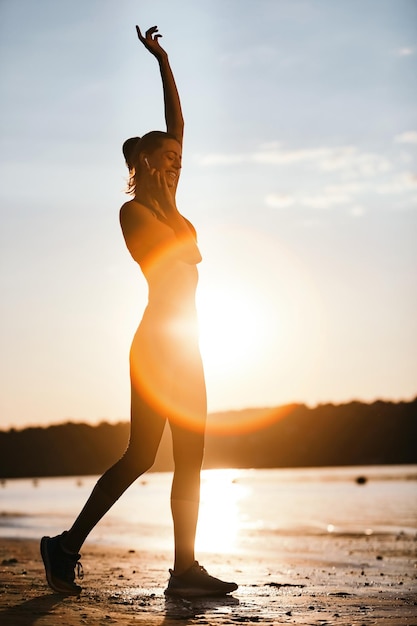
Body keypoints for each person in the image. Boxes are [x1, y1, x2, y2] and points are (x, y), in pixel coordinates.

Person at [40, 25, 238, 599]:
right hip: (155, 346)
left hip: (190, 344)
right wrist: (170, 201)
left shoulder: (171, 199)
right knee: (140, 456)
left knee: (192, 459)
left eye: (180, 159)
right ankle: (65, 545)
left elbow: (178, 122)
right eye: (168, 158)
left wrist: (163, 61)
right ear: (146, 162)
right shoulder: (135, 215)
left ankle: (185, 571)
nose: (177, 162)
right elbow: (181, 255)